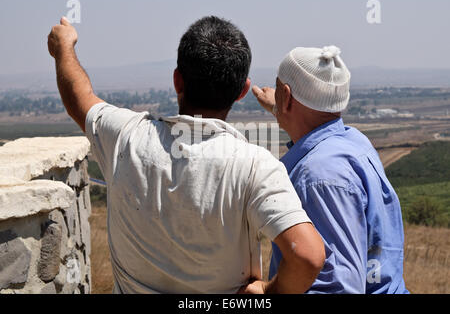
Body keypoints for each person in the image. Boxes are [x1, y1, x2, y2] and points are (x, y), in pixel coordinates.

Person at [47, 16, 325, 294]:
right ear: (242, 91)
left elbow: (78, 96)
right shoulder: (256, 165)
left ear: (177, 80)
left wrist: (64, 48)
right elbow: (307, 256)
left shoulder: (125, 135)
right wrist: (266, 292)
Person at [252, 46, 409, 294]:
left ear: (288, 95)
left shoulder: (319, 176)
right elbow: (314, 130)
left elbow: (335, 288)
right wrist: (280, 108)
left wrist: (268, 292)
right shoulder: (353, 142)